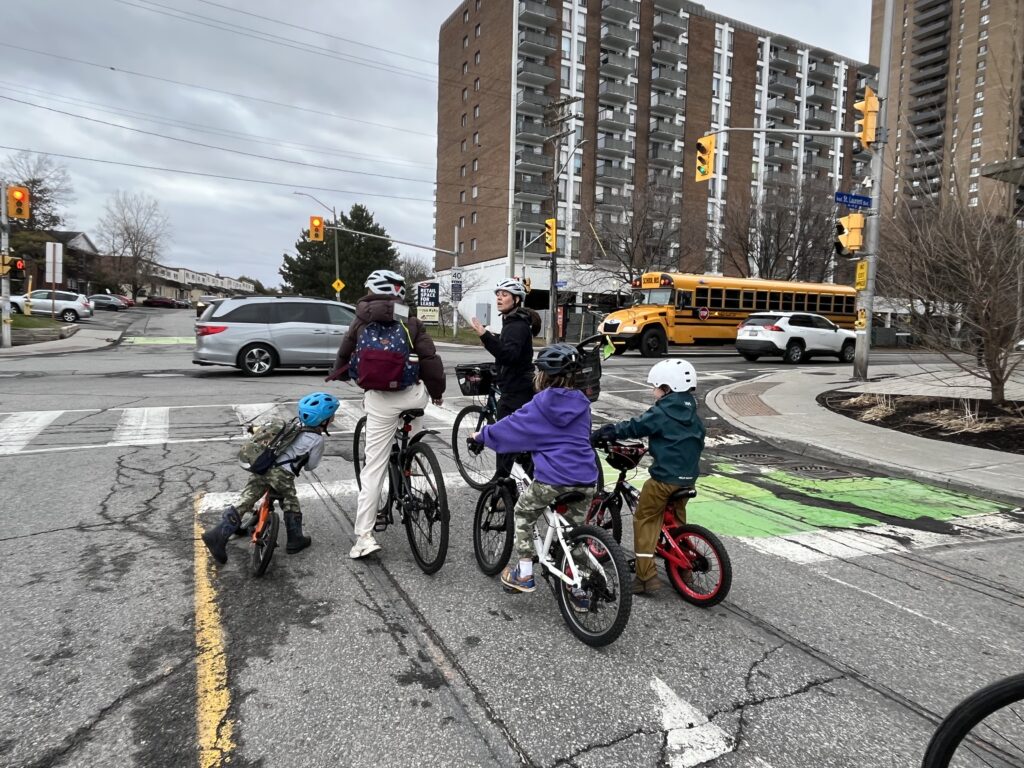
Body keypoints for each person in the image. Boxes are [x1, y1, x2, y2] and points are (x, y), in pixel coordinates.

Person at [328, 268, 446, 560]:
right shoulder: (410, 320)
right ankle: (413, 455)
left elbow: (344, 354)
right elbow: (430, 360)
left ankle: (364, 537)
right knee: (419, 404)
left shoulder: (360, 320)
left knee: (373, 468)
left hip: (380, 400)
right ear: (398, 293)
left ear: (371, 290)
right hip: (411, 394)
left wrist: (340, 374)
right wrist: (438, 391)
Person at [471, 344, 597, 594]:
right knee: (573, 532)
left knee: (523, 513)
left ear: (541, 375)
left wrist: (481, 435)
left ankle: (525, 572)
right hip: (586, 478)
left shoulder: (541, 404)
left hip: (554, 479)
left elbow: (511, 426)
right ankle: (581, 588)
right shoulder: (582, 403)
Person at [591, 359, 705, 595]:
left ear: (667, 387)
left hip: (664, 480)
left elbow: (635, 426)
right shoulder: (692, 412)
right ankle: (684, 570)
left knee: (644, 520)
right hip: (687, 478)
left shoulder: (663, 411)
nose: (653, 391)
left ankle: (646, 577)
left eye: (655, 387)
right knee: (676, 522)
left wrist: (608, 431)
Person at [201, 392, 340, 565]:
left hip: (263, 465)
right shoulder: (317, 440)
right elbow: (311, 466)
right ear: (323, 420)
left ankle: (218, 535)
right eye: (332, 415)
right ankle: (295, 540)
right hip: (282, 475)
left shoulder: (293, 425)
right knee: (290, 501)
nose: (333, 418)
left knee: (247, 498)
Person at [471, 279, 536, 478]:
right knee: (518, 437)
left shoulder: (516, 325)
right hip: (519, 386)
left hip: (516, 390)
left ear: (516, 299)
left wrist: (485, 336)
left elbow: (509, 355)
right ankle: (520, 477)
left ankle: (502, 486)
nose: (499, 297)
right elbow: (510, 351)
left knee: (504, 437)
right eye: (498, 294)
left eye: (505, 294)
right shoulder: (514, 322)